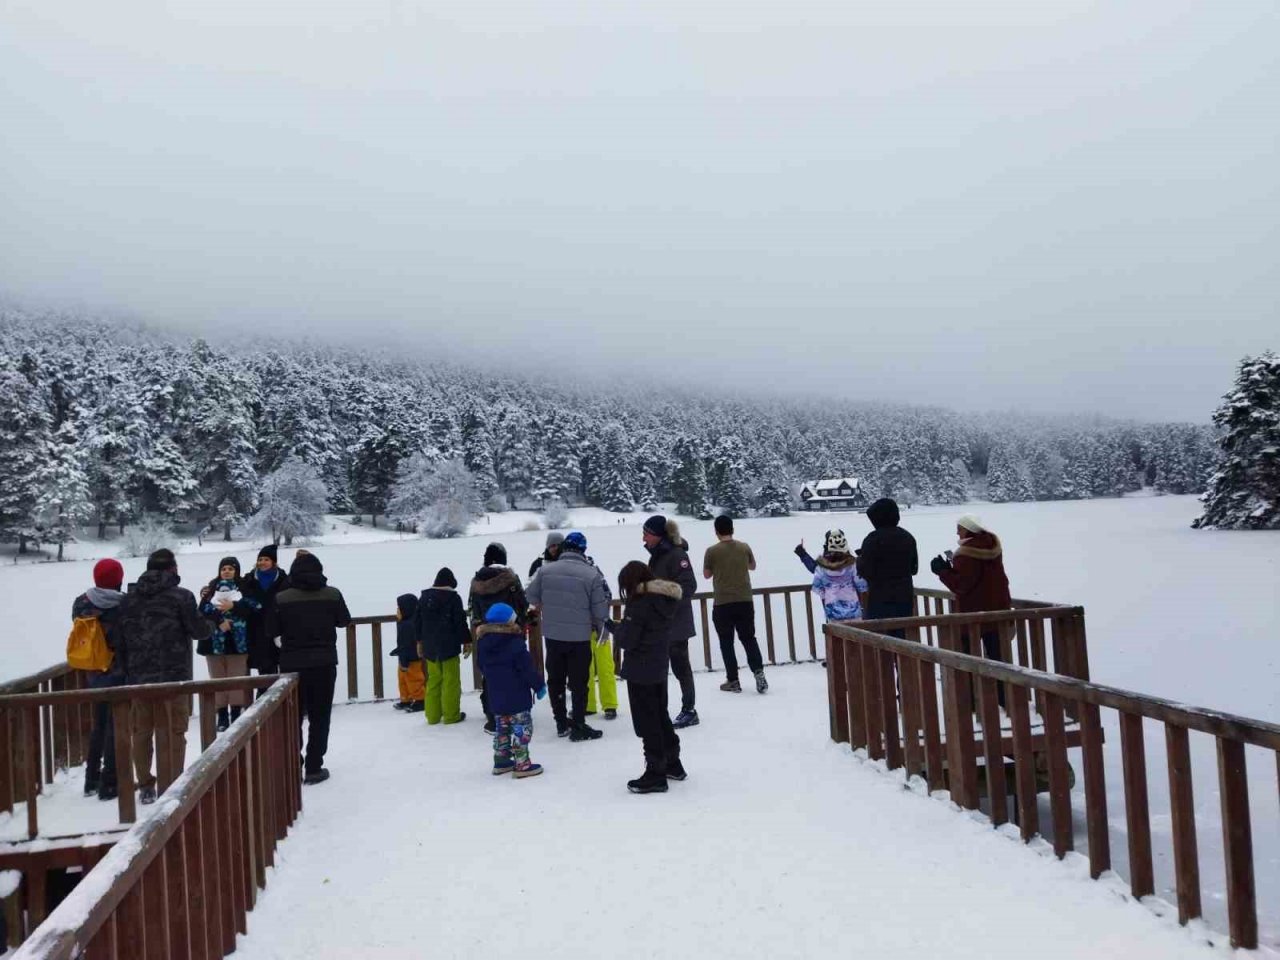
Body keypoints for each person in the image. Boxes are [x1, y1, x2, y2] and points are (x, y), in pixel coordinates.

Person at [116, 548, 212, 805]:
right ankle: (173, 783)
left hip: (138, 677)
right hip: (174, 676)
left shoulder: (128, 599)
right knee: (173, 730)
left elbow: (118, 640)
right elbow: (199, 630)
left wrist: (126, 670)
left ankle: (146, 784)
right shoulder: (181, 597)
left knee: (142, 731)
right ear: (173, 569)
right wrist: (211, 621)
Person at [275, 552, 352, 785]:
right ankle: (314, 766)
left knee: (292, 717)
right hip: (324, 662)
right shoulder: (332, 594)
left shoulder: (281, 598)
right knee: (320, 715)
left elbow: (271, 629)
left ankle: (293, 763)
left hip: (292, 664)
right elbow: (344, 620)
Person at [526, 531, 609, 741]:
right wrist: (603, 633)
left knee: (556, 680)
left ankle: (561, 723)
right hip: (579, 637)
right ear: (583, 550)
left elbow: (531, 596)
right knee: (579, 682)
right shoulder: (591, 574)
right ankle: (579, 724)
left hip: (553, 636)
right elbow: (600, 610)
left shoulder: (545, 571)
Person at [614, 560, 686, 794]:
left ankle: (655, 773)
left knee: (648, 721)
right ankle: (673, 763)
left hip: (640, 670)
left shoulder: (639, 604)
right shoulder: (662, 600)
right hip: (657, 665)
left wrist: (617, 628)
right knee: (661, 715)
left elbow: (628, 640)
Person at [931, 515, 1012, 704]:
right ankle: (1004, 699)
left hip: (973, 613)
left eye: (959, 528)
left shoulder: (967, 553)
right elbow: (980, 577)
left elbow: (962, 584)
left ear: (968, 530)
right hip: (997, 610)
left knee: (967, 658)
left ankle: (971, 701)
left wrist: (942, 571)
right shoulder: (991, 546)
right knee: (998, 658)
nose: (957, 532)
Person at [73, 559, 127, 801]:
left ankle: (90, 779)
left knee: (99, 725)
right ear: (118, 578)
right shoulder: (123, 604)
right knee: (116, 726)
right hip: (118, 672)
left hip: (93, 671)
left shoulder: (81, 602)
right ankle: (110, 783)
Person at [475, 603, 546, 779]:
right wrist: (539, 686)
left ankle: (501, 760)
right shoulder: (515, 643)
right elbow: (527, 669)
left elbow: (481, 666)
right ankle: (522, 764)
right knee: (522, 729)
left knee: (502, 728)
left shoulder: (483, 643)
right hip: (517, 696)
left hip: (496, 695)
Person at [642, 515, 699, 728]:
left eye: (646, 533)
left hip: (677, 623)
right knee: (659, 668)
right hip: (660, 624)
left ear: (657, 535)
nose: (643, 538)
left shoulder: (676, 555)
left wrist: (659, 593)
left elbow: (689, 585)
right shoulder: (657, 556)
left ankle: (689, 710)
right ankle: (660, 708)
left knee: (681, 667)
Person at [468, 542, 529, 733]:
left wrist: (479, 626)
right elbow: (522, 604)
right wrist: (521, 622)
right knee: (514, 670)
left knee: (490, 673)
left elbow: (472, 608)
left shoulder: (476, 582)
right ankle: (514, 712)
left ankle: (492, 714)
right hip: (511, 632)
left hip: (486, 634)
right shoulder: (510, 579)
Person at [703, 515, 767, 694]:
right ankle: (758, 671)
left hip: (723, 602)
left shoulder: (711, 551)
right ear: (733, 529)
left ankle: (733, 680)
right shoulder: (744, 547)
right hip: (745, 600)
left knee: (726, 642)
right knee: (749, 638)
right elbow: (752, 566)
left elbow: (707, 574)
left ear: (716, 531)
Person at [198, 556, 260, 731]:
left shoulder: (245, 588)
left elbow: (254, 608)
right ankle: (222, 715)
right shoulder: (210, 590)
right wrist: (219, 620)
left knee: (236, 678)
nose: (227, 571)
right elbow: (201, 611)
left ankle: (236, 713)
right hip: (214, 642)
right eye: (224, 568)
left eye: (230, 569)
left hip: (237, 641)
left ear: (236, 571)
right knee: (217, 679)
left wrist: (234, 606)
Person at [415, 567, 470, 724]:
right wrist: (466, 640)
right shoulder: (453, 598)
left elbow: (417, 622)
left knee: (433, 680)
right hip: (449, 646)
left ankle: (432, 716)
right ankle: (451, 715)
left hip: (430, 647)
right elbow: (460, 622)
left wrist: (419, 641)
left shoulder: (424, 598)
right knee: (450, 681)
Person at [858, 498, 918, 629]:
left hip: (880, 599)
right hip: (904, 598)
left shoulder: (872, 540)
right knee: (901, 638)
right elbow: (914, 568)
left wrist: (860, 559)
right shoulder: (908, 537)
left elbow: (866, 571)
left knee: (880, 640)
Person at [795, 530, 869, 623]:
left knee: (834, 636)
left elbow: (820, 590)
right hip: (853, 613)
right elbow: (862, 587)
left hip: (832, 614)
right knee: (854, 636)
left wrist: (803, 555)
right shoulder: (852, 565)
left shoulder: (822, 567)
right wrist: (864, 610)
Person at [242, 544, 290, 684]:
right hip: (257, 631)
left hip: (278, 631)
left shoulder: (284, 579)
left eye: (266, 559)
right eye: (260, 559)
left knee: (284, 671)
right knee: (265, 672)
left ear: (273, 562)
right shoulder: (249, 580)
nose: (262, 562)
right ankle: (264, 699)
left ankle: (284, 703)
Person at [390, 593, 425, 712]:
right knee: (403, 679)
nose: (397, 611)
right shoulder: (404, 623)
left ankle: (420, 700)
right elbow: (402, 643)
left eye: (399, 608)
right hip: (404, 657)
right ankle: (406, 699)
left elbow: (408, 644)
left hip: (411, 658)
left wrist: (404, 658)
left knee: (414, 679)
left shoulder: (409, 625)